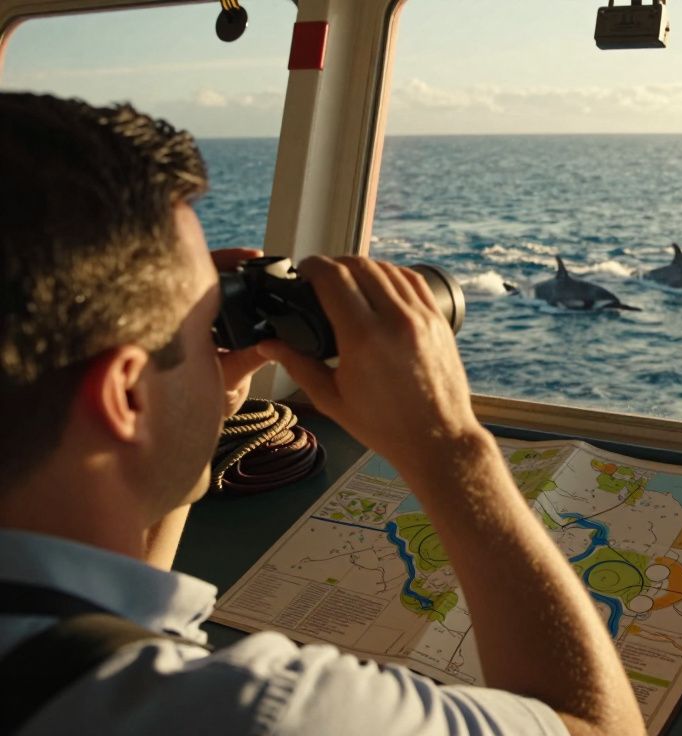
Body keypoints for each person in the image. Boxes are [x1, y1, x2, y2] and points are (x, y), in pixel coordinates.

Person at [0, 92, 644, 736]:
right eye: (206, 328)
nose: (221, 341)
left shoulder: (67, 651)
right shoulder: (254, 711)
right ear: (127, 397)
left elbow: (104, 625)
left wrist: (183, 423)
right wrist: (449, 443)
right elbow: (598, 726)